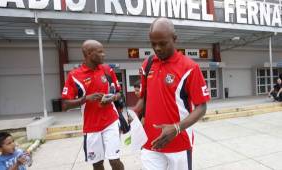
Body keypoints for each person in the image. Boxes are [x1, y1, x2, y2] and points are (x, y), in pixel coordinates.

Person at [134, 18, 210, 170]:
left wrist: (177, 128)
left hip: (179, 142)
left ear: (174, 39)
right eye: (153, 44)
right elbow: (144, 98)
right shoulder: (147, 64)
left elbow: (202, 107)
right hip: (150, 142)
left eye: (162, 43)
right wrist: (132, 116)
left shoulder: (190, 67)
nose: (157, 48)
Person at [61, 40, 124, 170]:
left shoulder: (107, 70)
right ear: (89, 53)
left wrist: (112, 97)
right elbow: (65, 104)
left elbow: (119, 93)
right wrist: (85, 99)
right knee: (97, 164)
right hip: (91, 127)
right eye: (100, 52)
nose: (104, 54)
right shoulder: (74, 75)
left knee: (115, 160)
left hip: (111, 122)